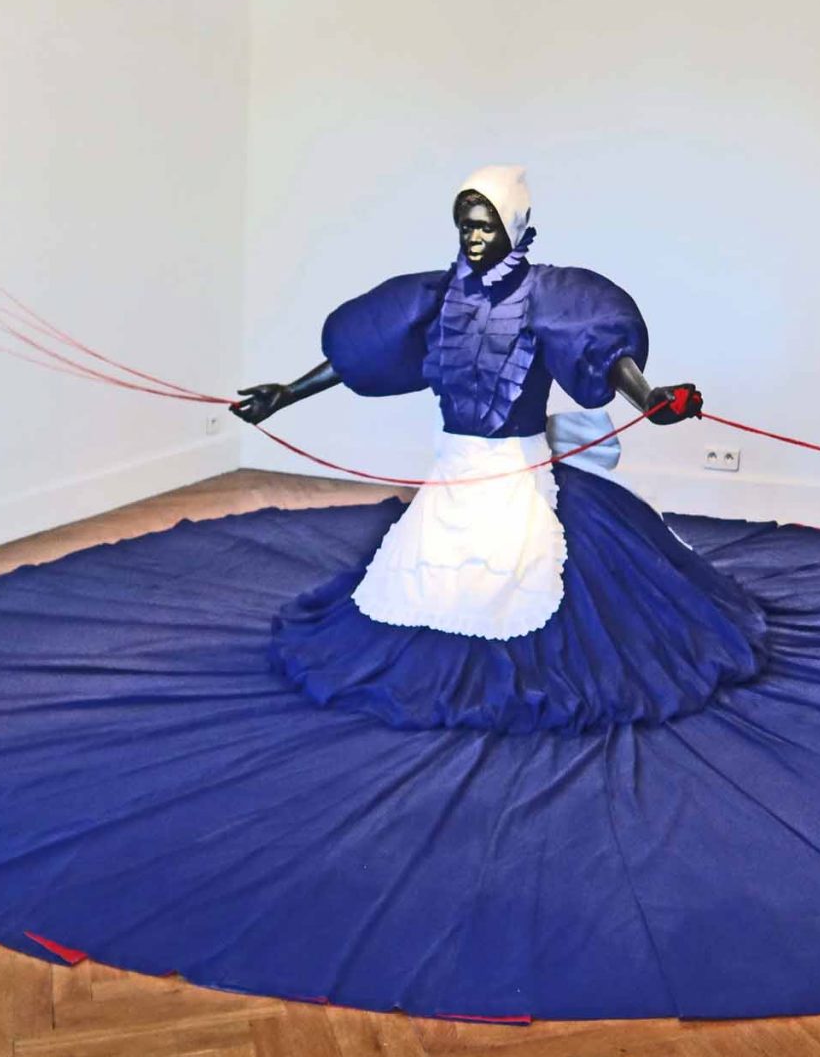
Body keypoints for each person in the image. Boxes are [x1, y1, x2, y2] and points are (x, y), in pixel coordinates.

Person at [231, 165, 770, 734]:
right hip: (453, 474)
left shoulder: (551, 296)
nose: (474, 237)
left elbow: (605, 354)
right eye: (465, 225)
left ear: (513, 226)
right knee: (417, 592)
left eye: (485, 225)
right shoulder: (433, 299)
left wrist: (651, 398)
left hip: (520, 471)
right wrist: (286, 394)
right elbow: (360, 355)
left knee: (541, 591)